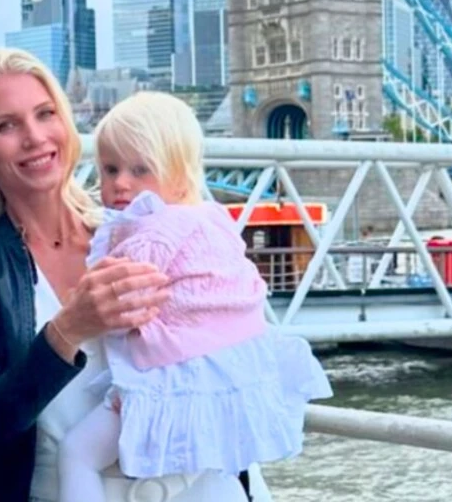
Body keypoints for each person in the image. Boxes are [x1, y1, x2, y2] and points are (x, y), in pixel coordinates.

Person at [0, 47, 249, 502]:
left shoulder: (134, 229)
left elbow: (225, 348)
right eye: (6, 126)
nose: (35, 137)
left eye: (45, 114)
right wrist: (68, 330)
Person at [57, 91, 334, 502]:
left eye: (140, 169)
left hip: (169, 384)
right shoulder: (213, 221)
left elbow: (115, 308)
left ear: (179, 173)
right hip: (227, 379)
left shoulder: (149, 236)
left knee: (76, 455)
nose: (120, 183)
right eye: (110, 169)